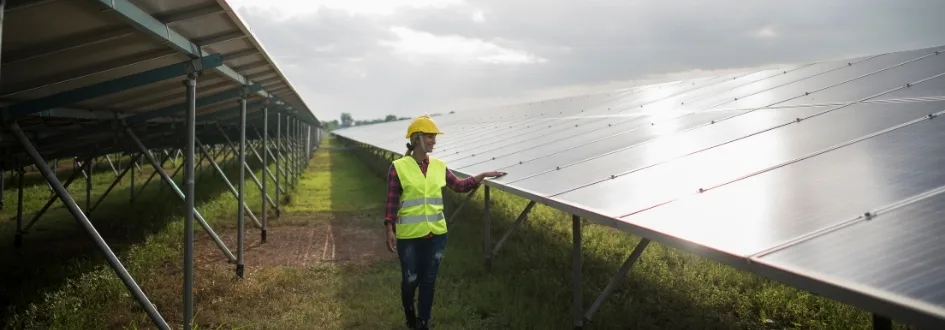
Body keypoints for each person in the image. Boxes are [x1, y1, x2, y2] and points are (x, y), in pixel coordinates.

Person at [384, 115, 506, 330]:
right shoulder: (398, 167)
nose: (434, 141)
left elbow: (459, 185)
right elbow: (392, 201)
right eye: (430, 136)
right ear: (417, 138)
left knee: (429, 281)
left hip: (436, 235)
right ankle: (410, 315)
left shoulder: (439, 166)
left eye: (434, 137)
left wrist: (483, 175)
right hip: (409, 237)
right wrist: (389, 228)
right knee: (410, 281)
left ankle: (423, 324)